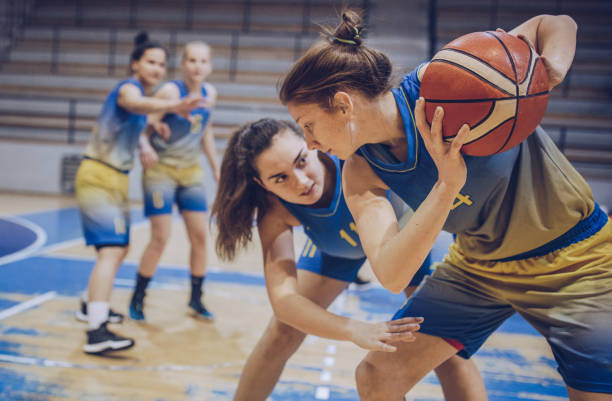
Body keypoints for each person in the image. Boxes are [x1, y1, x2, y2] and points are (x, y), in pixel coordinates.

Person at [280, 10, 612, 401]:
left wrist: (546, 71)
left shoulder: (447, 81)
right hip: (479, 267)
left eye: (308, 125)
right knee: (377, 373)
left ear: (342, 105)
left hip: (577, 260)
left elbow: (556, 24)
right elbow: (391, 273)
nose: (310, 143)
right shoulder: (360, 171)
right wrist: (446, 187)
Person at [211, 118, 487, 401]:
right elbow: (284, 301)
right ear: (262, 184)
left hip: (406, 245)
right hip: (339, 253)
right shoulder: (274, 210)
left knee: (443, 352)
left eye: (301, 161)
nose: (301, 181)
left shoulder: (354, 155)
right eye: (280, 178)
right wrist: (352, 329)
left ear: (311, 144)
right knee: (281, 332)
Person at [75, 32, 205, 355]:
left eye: (161, 64)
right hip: (99, 177)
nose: (157, 69)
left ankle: (89, 305)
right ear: (135, 64)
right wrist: (174, 104)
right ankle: (97, 332)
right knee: (111, 251)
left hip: (115, 180)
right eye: (150, 62)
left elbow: (137, 119)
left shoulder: (144, 102)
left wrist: (151, 132)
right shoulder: (128, 88)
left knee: (118, 249)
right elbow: (135, 103)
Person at [128, 41, 219, 321]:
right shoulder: (170, 91)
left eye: (203, 61)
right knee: (161, 236)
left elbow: (204, 131)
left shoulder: (210, 94)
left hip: (190, 171)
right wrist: (146, 145)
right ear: (183, 65)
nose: (197, 66)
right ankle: (138, 297)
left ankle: (195, 299)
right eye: (192, 60)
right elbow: (143, 125)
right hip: (161, 171)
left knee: (201, 236)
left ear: (210, 66)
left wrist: (216, 167)